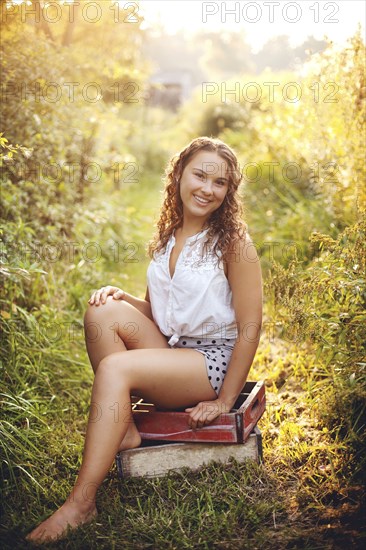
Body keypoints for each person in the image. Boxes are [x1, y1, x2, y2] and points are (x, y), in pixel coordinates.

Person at [26, 136, 263, 542]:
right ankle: (129, 432)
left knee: (117, 367)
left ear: (229, 191)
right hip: (174, 353)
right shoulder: (169, 235)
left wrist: (224, 401)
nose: (207, 188)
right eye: (200, 175)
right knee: (102, 311)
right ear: (179, 174)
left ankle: (82, 503)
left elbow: (250, 328)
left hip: (210, 363)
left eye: (220, 182)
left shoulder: (233, 245)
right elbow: (160, 313)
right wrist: (124, 297)